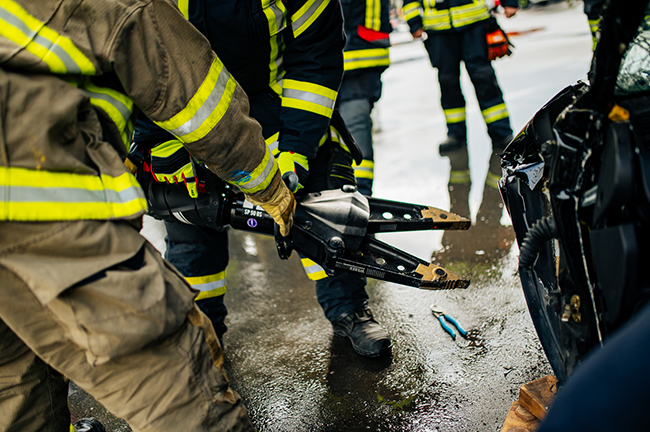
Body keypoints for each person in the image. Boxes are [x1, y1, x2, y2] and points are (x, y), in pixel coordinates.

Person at [0, 0, 295, 430]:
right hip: (36, 202)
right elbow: (199, 98)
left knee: (13, 385)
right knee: (177, 390)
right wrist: (269, 186)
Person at [133, 0, 392, 358]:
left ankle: (349, 309)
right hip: (181, 128)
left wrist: (298, 146)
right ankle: (201, 335)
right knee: (192, 238)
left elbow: (315, 53)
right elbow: (128, 58)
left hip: (274, 116)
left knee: (323, 213)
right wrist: (151, 139)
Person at [402, 0, 518, 156]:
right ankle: (455, 135)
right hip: (438, 29)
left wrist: (509, 2)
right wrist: (414, 22)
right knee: (448, 83)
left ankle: (502, 133)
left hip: (474, 22)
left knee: (484, 79)